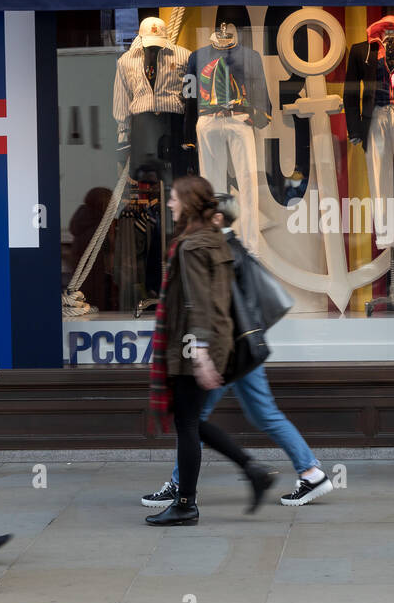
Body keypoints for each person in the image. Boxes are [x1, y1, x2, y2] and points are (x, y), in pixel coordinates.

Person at [141, 193, 333, 509]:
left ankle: (180, 486)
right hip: (243, 351)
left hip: (227, 354)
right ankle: (311, 473)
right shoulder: (234, 248)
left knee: (194, 418)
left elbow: (215, 308)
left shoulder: (219, 251)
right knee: (262, 413)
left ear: (217, 220)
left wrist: (205, 353)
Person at [145, 175, 277, 527]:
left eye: (173, 198)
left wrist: (201, 354)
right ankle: (252, 471)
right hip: (210, 341)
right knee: (190, 420)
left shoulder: (191, 247)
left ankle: (186, 503)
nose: (169, 204)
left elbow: (200, 303)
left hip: (192, 345)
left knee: (187, 423)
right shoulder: (215, 240)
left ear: (187, 203)